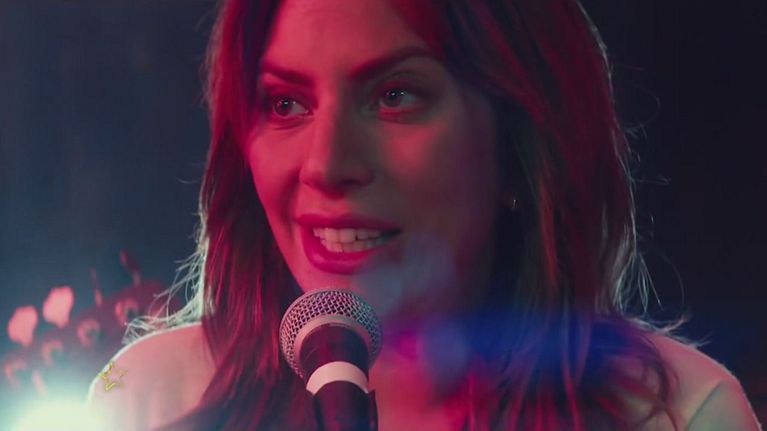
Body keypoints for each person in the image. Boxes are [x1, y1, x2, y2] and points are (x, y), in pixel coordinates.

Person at [87, 0, 762, 430]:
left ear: (520, 147)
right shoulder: (143, 395)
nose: (326, 164)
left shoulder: (682, 413)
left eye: (395, 95)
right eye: (286, 104)